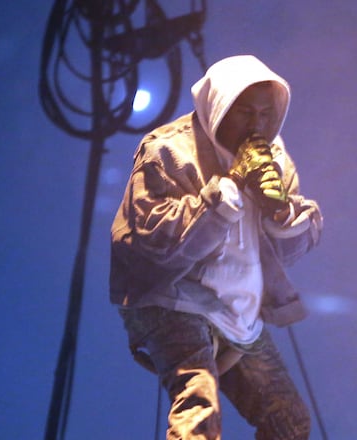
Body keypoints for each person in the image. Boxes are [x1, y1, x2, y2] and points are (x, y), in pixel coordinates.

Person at [109, 54, 323, 439]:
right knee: (198, 406)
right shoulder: (166, 151)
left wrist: (280, 214)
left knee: (289, 423)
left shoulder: (274, 156)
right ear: (221, 106)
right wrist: (229, 188)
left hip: (238, 311)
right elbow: (155, 241)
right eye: (243, 112)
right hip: (175, 299)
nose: (256, 124)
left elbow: (290, 253)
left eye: (264, 113)